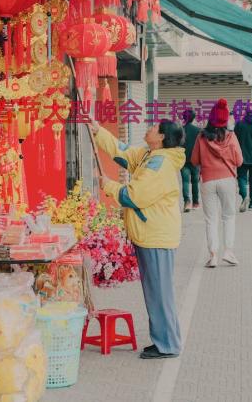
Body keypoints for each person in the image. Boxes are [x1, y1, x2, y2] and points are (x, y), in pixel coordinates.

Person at [91, 119, 186, 360]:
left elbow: (135, 196)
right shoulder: (149, 154)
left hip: (156, 236)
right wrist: (98, 131)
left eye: (154, 128)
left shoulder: (160, 164)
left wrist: (109, 186)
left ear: (162, 137)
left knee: (160, 293)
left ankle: (167, 345)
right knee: (157, 292)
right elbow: (123, 153)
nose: (149, 128)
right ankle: (165, 340)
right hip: (150, 234)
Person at [191, 98, 243, 268]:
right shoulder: (231, 137)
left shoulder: (201, 137)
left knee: (211, 219)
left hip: (207, 181)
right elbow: (239, 161)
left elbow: (194, 160)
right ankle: (228, 252)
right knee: (228, 216)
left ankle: (213, 255)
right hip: (227, 180)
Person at [180, 110, 201, 212]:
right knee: (195, 182)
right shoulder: (198, 130)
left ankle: (187, 202)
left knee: (185, 181)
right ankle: (196, 203)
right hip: (195, 160)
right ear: (193, 118)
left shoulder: (181, 130)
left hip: (183, 160)